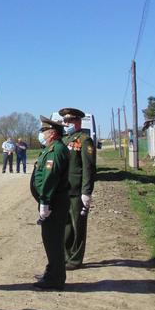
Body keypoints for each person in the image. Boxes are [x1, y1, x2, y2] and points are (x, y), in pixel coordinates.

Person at [30, 116, 70, 290]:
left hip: (54, 202)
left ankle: (55, 279)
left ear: (52, 133)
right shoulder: (51, 148)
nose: (41, 134)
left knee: (53, 241)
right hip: (52, 201)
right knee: (50, 240)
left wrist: (45, 202)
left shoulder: (56, 150)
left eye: (43, 131)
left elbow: (50, 178)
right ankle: (52, 272)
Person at [59, 107, 96, 270]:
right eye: (65, 121)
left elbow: (88, 168)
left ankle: (75, 259)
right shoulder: (64, 139)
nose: (66, 123)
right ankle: (66, 256)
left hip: (77, 190)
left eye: (69, 120)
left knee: (77, 225)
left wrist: (86, 192)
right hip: (64, 190)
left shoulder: (84, 139)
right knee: (65, 224)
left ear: (78, 121)